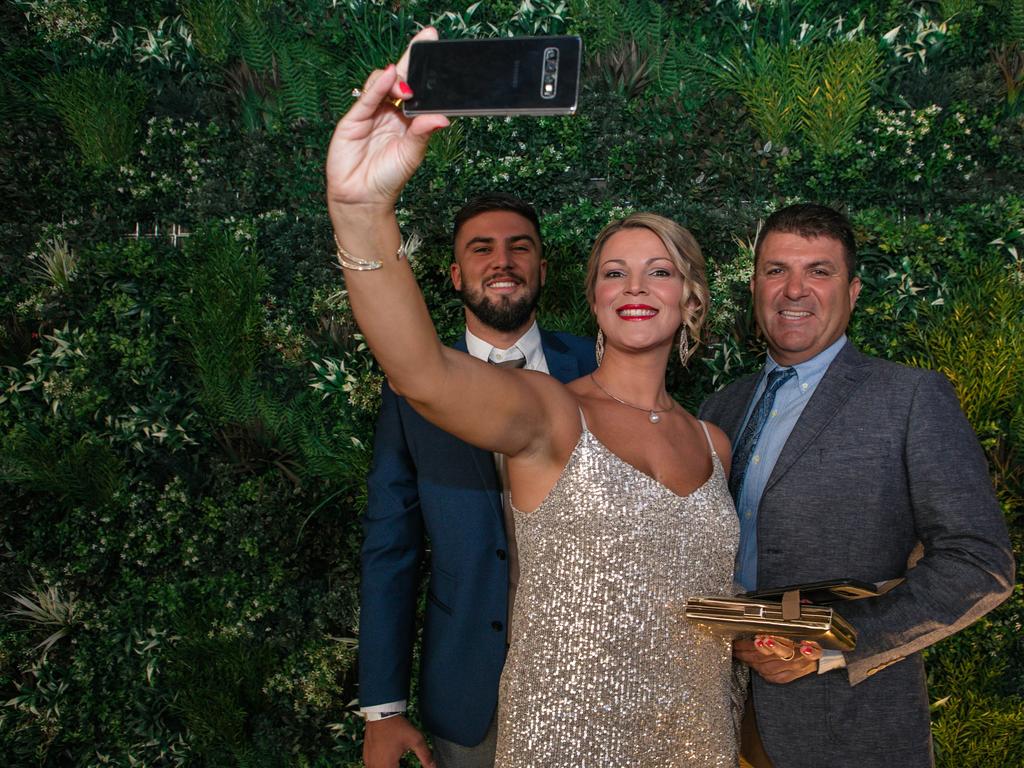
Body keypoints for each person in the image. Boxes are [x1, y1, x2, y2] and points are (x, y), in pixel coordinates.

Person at [328, 28, 741, 766]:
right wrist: (361, 211)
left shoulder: (715, 444)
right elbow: (421, 372)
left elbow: (700, 599)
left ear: (692, 301)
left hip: (697, 734)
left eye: (660, 272)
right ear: (591, 296)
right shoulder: (552, 411)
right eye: (615, 272)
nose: (637, 286)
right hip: (566, 738)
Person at [699, 202, 1015, 768]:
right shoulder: (720, 408)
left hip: (849, 728)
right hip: (714, 718)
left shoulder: (912, 399)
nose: (794, 290)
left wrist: (831, 642)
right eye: (776, 270)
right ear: (754, 287)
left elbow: (979, 562)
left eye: (819, 271)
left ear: (854, 290)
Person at [358, 190, 596, 768]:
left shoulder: (600, 367)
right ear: (456, 273)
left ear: (542, 268)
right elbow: (392, 547)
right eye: (482, 248)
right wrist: (383, 709)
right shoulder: (411, 391)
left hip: (594, 682)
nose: (503, 261)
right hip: (467, 691)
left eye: (520, 247)